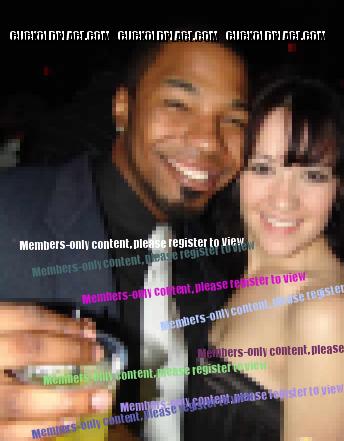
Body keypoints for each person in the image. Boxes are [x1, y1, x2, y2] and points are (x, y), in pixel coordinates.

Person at [0, 41, 248, 441]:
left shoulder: (215, 269)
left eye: (234, 120)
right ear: (123, 108)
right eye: (178, 104)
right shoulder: (10, 211)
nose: (209, 141)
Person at [186, 76, 344, 440]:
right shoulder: (242, 263)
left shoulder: (324, 316)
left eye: (313, 175)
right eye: (263, 168)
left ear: (340, 186)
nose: (284, 200)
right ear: (237, 172)